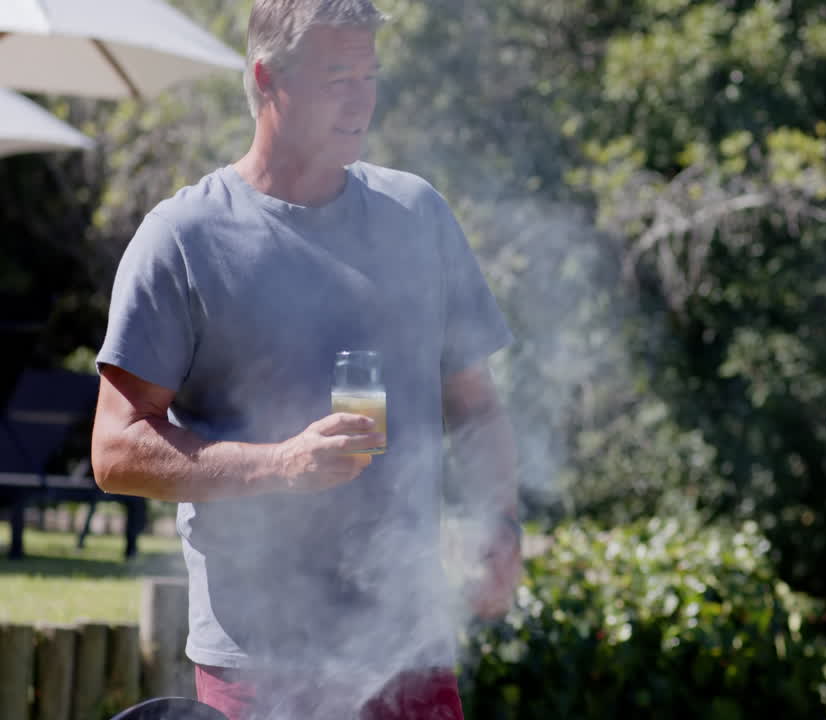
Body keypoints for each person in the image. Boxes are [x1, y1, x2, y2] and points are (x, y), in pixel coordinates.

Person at [90, 1, 520, 718]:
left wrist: (501, 527)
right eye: (337, 76)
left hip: (409, 654)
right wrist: (279, 465)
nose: (362, 100)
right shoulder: (184, 239)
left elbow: (477, 408)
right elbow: (115, 449)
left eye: (370, 75)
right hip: (263, 662)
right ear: (268, 79)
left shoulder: (419, 218)